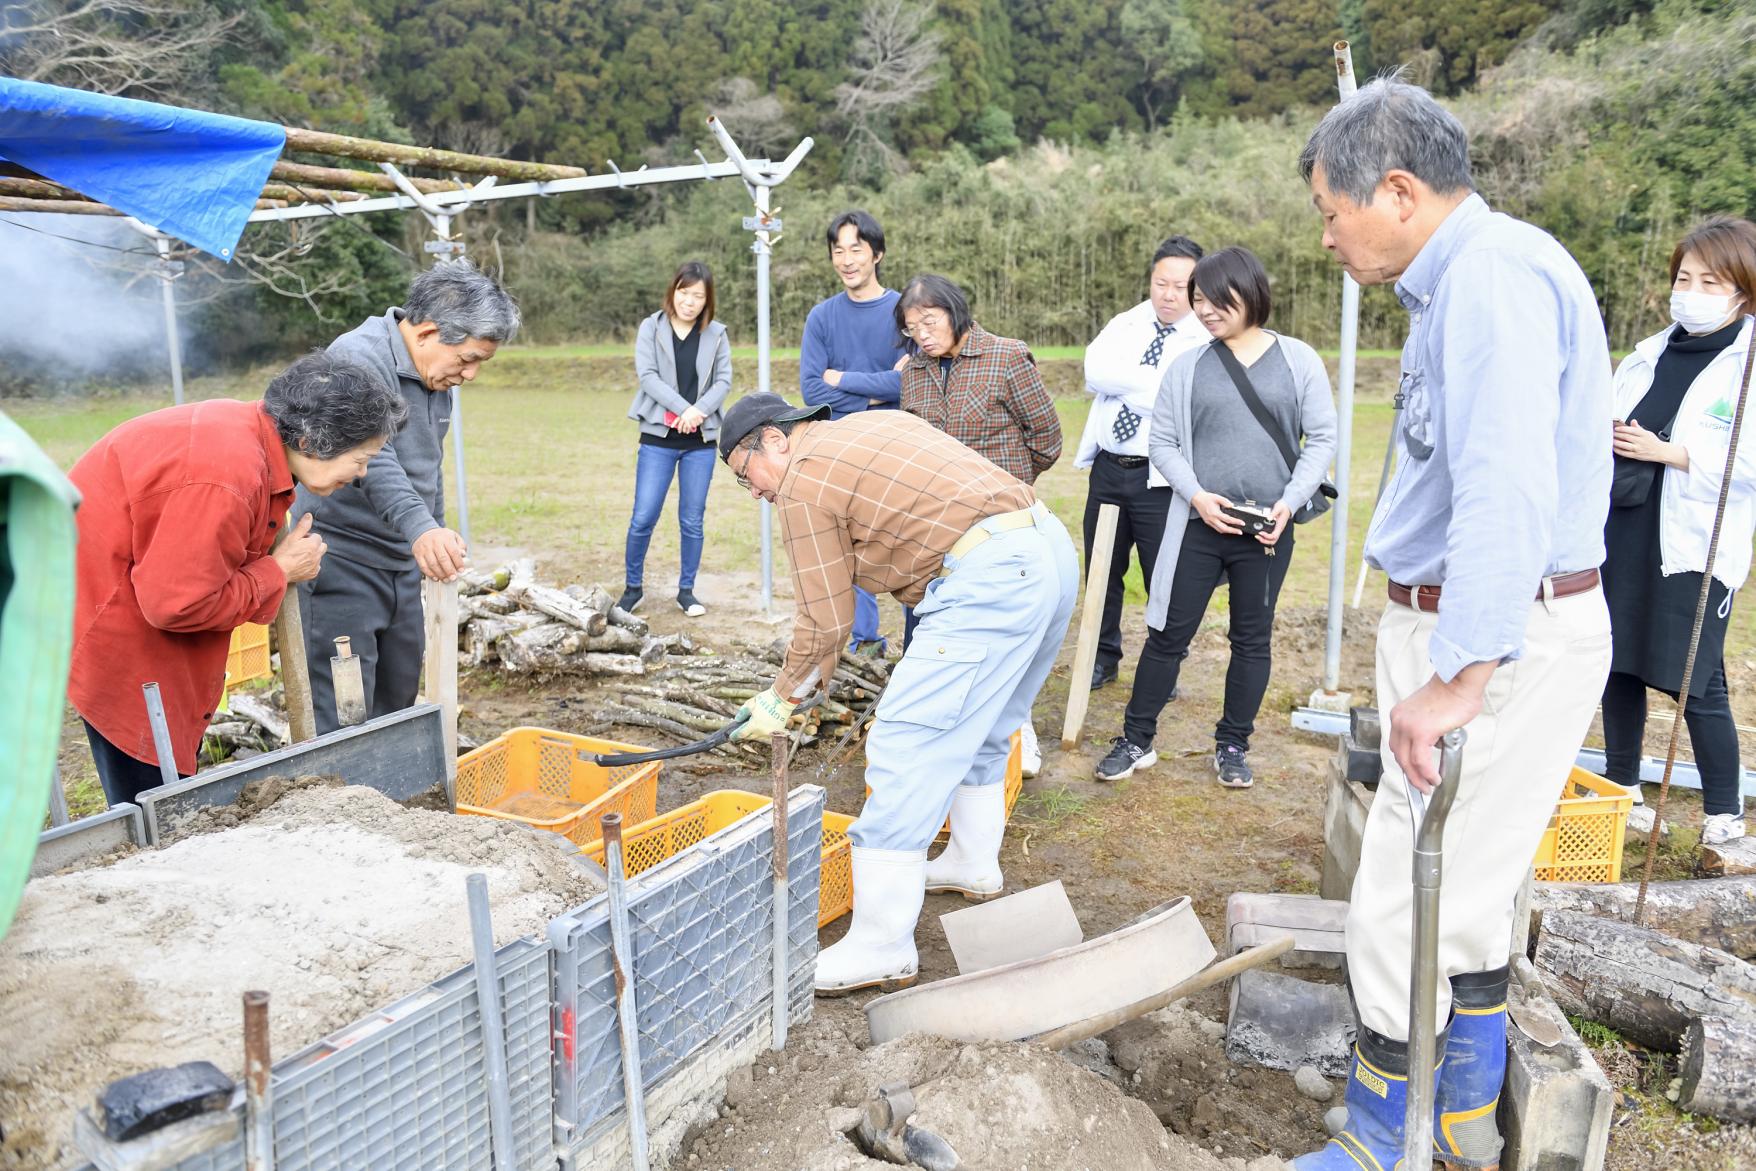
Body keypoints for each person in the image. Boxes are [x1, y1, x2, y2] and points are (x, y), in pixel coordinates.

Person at [1293, 80, 1614, 1171]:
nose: (1327, 238)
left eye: (1332, 213)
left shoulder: (1491, 277)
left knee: (1398, 882)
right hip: (1483, 629)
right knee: (1468, 878)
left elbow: (1505, 487)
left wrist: (1460, 675)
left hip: (1501, 637)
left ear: (1396, 190)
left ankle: (1386, 1132)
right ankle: (1465, 1107)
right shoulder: (1462, 283)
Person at [716, 393, 1077, 994]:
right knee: (988, 727)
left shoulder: (803, 484)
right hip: (1046, 550)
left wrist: (783, 698)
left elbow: (825, 621)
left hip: (988, 575)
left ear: (774, 440)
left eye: (742, 475)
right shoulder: (869, 424)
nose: (752, 492)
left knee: (903, 746)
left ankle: (881, 945)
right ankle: (972, 863)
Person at [67, 352, 408, 805]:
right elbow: (177, 604)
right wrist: (279, 570)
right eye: (361, 459)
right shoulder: (226, 476)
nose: (363, 474)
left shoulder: (252, 440)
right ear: (310, 440)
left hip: (122, 595)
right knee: (148, 798)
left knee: (162, 776)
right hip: (108, 620)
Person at [1093, 246, 1337, 788]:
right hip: (1197, 523)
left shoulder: (1298, 359)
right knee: (1166, 633)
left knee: (1252, 638)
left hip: (1268, 527)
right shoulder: (1190, 365)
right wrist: (1198, 496)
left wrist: (1289, 502)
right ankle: (1137, 738)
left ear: (1249, 292)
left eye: (1213, 298)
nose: (1203, 310)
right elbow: (1164, 441)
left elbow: (1321, 437)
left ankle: (1232, 745)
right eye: (1196, 298)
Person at [297, 258, 519, 734]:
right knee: (344, 710)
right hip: (341, 558)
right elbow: (373, 460)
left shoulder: (438, 379)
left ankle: (388, 803)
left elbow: (426, 467)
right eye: (468, 359)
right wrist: (421, 529)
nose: (472, 374)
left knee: (397, 697)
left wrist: (433, 531)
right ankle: (337, 803)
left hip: (398, 560)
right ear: (426, 332)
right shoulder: (356, 359)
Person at [1601, 217, 1756, 847]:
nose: (1690, 291)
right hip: (1624, 528)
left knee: (1696, 676)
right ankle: (1623, 788)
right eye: (1683, 278)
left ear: (1741, 291)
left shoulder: (1746, 367)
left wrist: (1674, 453)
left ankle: (1724, 812)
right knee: (1617, 665)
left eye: (1708, 281)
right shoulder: (1648, 354)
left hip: (1692, 541)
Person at [898, 273, 1064, 775]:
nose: (923, 334)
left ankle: (1017, 732)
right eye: (912, 327)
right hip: (937, 526)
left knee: (1004, 635)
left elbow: (1047, 438)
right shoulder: (914, 373)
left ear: (954, 311)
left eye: (930, 321)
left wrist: (1010, 487)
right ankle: (929, 736)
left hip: (1002, 527)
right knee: (932, 627)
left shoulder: (1006, 357)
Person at [1077, 235, 1207, 691]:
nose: (1169, 295)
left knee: (1163, 574)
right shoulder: (1127, 322)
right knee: (1102, 569)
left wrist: (1126, 385)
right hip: (1110, 469)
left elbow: (1185, 399)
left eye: (1181, 286)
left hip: (1162, 478)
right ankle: (1102, 656)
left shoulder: (1206, 336)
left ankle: (1162, 665)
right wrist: (1151, 387)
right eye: (1161, 283)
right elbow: (1094, 371)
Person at [800, 210, 908, 656]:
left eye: (856, 249)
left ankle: (919, 639)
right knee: (848, 541)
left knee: (905, 541)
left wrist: (841, 379)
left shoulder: (904, 309)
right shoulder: (822, 317)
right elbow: (810, 389)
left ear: (877, 254)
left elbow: (908, 383)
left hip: (897, 445)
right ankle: (866, 639)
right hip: (840, 447)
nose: (847, 259)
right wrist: (877, 391)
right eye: (838, 251)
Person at [620, 260, 733, 617]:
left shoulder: (717, 334)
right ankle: (633, 588)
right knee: (643, 516)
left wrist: (697, 412)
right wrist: (684, 408)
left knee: (692, 519)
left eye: (698, 295)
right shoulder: (650, 328)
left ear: (707, 300)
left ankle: (687, 591)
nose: (689, 301)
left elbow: (723, 381)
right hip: (657, 439)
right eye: (684, 292)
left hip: (699, 441)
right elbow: (648, 376)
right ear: (673, 291)